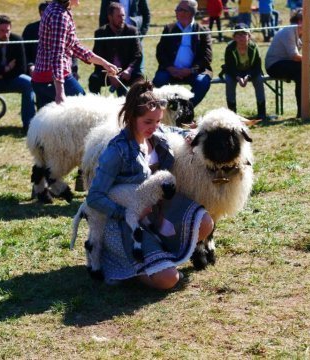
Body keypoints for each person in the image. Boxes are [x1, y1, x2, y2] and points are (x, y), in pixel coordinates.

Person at [86, 80, 214, 289]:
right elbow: (94, 197)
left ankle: (160, 255)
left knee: (205, 223)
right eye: (148, 122)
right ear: (131, 117)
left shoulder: (157, 134)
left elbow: (172, 131)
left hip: (155, 207)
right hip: (126, 220)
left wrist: (190, 135)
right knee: (168, 280)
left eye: (158, 121)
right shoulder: (116, 151)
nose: (154, 127)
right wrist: (125, 211)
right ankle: (127, 266)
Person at [32, 0, 118, 109]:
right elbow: (57, 54)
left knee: (52, 123)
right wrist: (60, 92)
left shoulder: (59, 10)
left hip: (45, 78)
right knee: (83, 109)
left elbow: (75, 46)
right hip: (51, 79)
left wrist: (104, 63)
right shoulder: (59, 16)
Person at [265, 8, 310, 118]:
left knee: (301, 76)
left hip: (290, 65)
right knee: (302, 68)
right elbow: (295, 56)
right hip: (274, 65)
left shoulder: (306, 31)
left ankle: (301, 113)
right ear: (300, 21)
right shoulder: (289, 31)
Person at [153, 0, 213, 107]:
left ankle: (185, 109)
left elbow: (207, 57)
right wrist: (170, 68)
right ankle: (165, 109)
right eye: (177, 9)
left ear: (189, 13)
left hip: (194, 72)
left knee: (203, 82)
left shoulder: (203, 30)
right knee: (159, 80)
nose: (176, 11)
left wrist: (191, 70)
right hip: (170, 70)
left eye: (179, 9)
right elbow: (160, 52)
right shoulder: (169, 29)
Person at [88, 2, 143, 97]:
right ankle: (96, 105)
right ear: (110, 17)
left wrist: (129, 70)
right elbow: (97, 55)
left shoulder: (132, 31)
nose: (122, 19)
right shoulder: (100, 33)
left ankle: (135, 106)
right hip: (106, 71)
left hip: (126, 72)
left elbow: (137, 55)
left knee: (140, 80)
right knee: (94, 79)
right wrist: (110, 73)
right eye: (118, 16)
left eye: (123, 16)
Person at [220, 23, 266, 119]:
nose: (241, 37)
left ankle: (262, 113)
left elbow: (257, 67)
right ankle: (232, 115)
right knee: (229, 81)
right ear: (234, 37)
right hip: (233, 72)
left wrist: (248, 76)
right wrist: (238, 77)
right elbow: (229, 67)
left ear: (249, 36)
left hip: (251, 72)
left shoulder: (254, 47)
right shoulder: (229, 48)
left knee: (259, 79)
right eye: (238, 35)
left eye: (244, 34)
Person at [22, 1, 48, 75]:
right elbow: (24, 52)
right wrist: (30, 65)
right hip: (36, 68)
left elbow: (71, 50)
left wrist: (74, 69)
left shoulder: (60, 28)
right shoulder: (30, 29)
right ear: (41, 13)